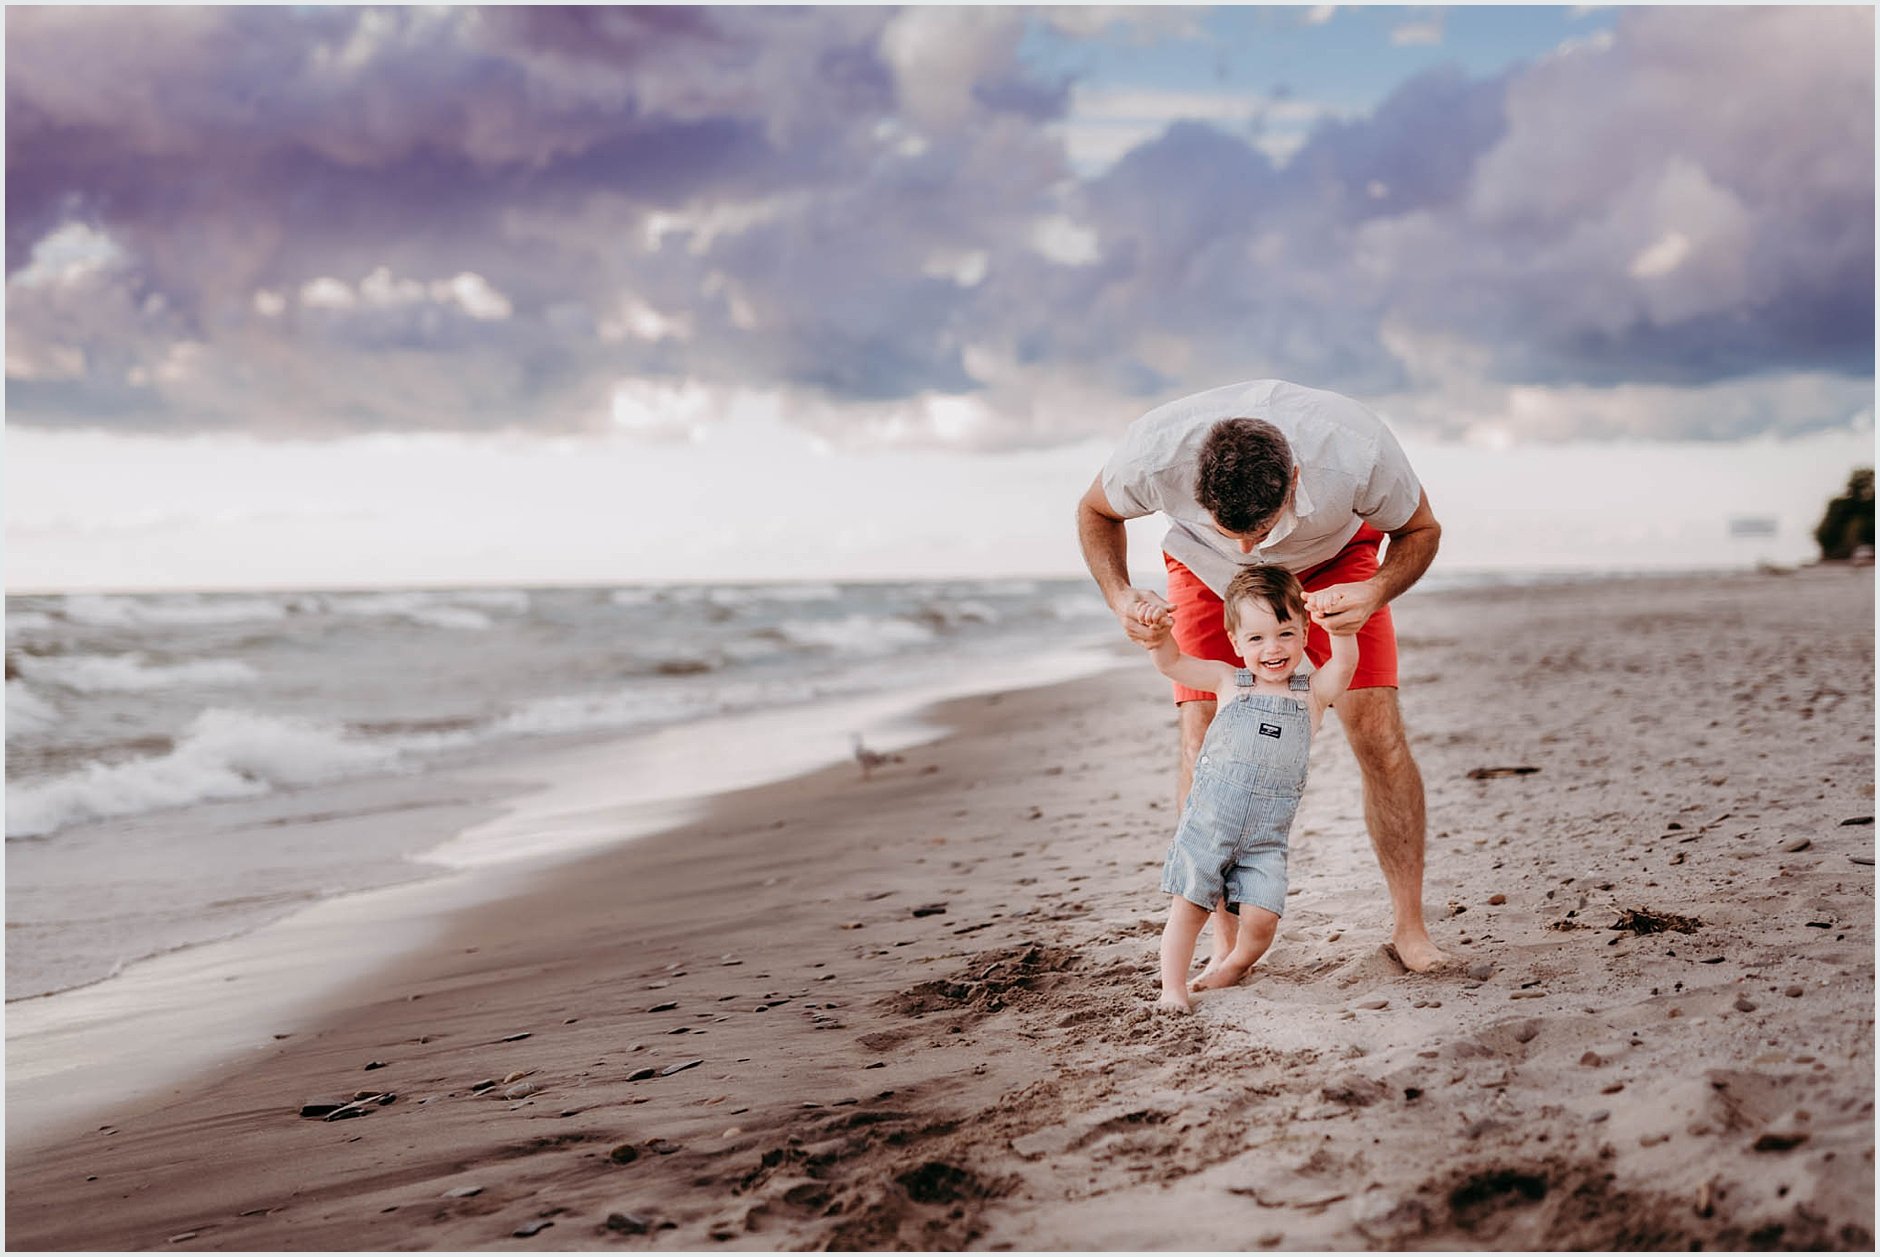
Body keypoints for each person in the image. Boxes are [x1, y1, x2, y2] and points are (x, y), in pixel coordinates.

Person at [1075, 378, 1449, 972]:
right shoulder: (1154, 452)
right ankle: (1225, 940)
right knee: (1204, 736)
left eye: (1261, 530)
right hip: (1204, 567)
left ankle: (1411, 929)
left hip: (1334, 558)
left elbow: (1421, 530)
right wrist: (1121, 597)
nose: (1251, 548)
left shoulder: (1357, 448)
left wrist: (1376, 588)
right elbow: (1095, 512)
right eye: (1235, 529)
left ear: (1295, 479)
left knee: (1376, 731)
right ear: (1194, 484)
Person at [1139, 565, 1356, 1013]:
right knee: (1189, 909)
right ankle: (1172, 989)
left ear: (1303, 632)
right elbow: (1172, 663)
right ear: (1235, 642)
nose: (1272, 649)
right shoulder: (1226, 682)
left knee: (1262, 921)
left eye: (1284, 634)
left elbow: (1346, 663)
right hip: (1208, 827)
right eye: (1255, 639)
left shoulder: (1311, 694)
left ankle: (1235, 963)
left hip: (1265, 840)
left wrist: (1341, 627)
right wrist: (1159, 636)